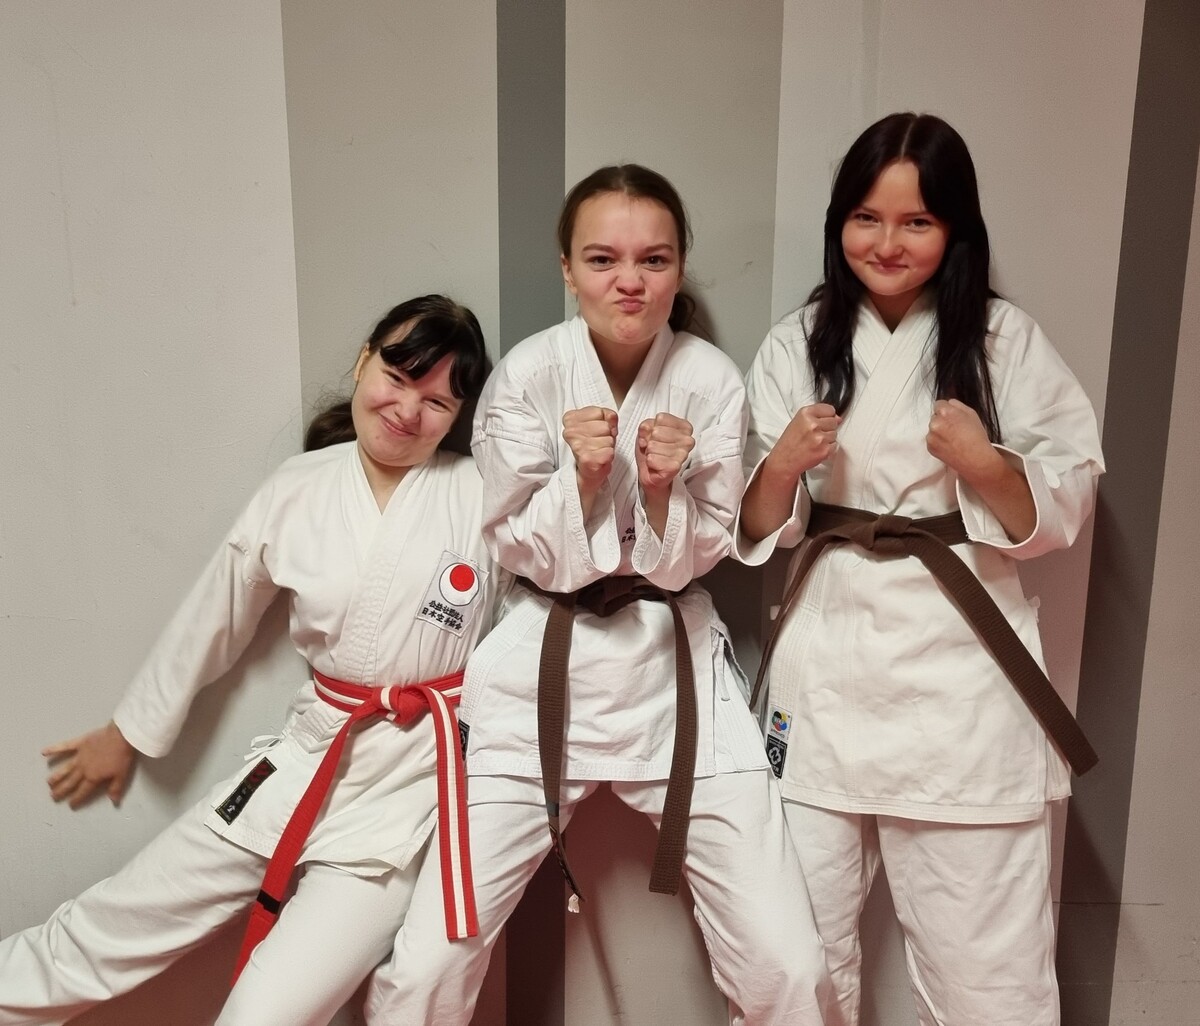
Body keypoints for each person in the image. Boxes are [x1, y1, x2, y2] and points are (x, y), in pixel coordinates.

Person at [365, 165, 830, 1025]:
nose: (629, 282)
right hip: (541, 666)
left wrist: (658, 489)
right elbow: (509, 537)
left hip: (673, 672)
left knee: (789, 964)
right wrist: (581, 481)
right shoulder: (530, 375)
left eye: (654, 259)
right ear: (568, 269)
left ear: (680, 268)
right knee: (429, 963)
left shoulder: (709, 380)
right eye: (603, 259)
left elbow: (710, 545)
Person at [0, 296, 509, 1026]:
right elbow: (215, 615)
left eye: (436, 401)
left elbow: (542, 610)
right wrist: (128, 731)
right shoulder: (297, 488)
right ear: (363, 361)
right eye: (396, 378)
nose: (406, 410)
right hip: (304, 757)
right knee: (99, 928)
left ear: (458, 414)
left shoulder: (483, 495)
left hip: (401, 803)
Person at [735, 112, 1105, 1026]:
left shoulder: (1004, 341)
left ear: (956, 229)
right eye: (866, 218)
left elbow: (1066, 498)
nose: (887, 243)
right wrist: (781, 467)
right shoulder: (798, 341)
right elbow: (753, 525)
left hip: (961, 680)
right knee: (791, 961)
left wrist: (985, 464)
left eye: (917, 222)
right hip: (827, 671)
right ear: (839, 223)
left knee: (991, 973)